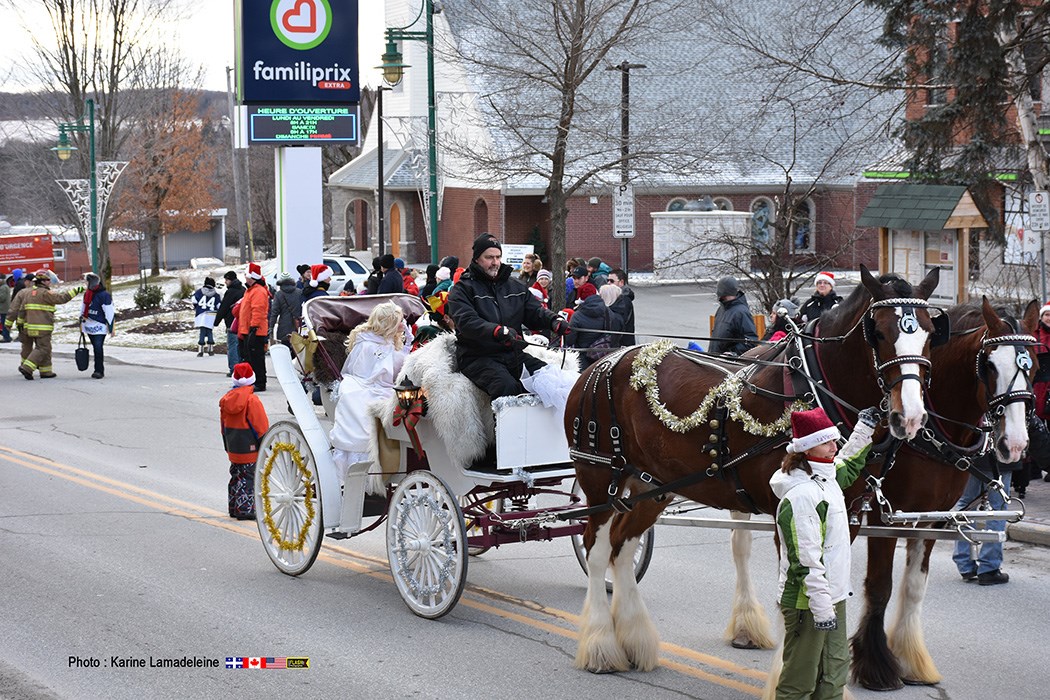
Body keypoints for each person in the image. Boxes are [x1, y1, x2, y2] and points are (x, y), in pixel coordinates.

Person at [769, 406, 877, 700]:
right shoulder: (802, 495)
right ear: (806, 449)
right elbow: (805, 561)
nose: (834, 446)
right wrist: (821, 607)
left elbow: (850, 462)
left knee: (833, 674)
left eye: (835, 440)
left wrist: (865, 428)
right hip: (808, 601)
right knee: (799, 682)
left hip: (833, 596)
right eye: (827, 441)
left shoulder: (828, 478)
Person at [449, 234, 570, 400]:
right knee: (508, 387)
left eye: (498, 257)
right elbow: (467, 321)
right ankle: (503, 426)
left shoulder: (514, 285)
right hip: (477, 356)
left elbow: (533, 311)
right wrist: (497, 331)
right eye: (489, 257)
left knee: (550, 379)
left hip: (513, 354)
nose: (495, 262)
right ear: (477, 259)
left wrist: (553, 321)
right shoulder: (463, 289)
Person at [329, 303, 413, 481]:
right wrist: (405, 355)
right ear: (389, 323)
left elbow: (396, 367)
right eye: (399, 321)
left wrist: (406, 350)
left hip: (384, 386)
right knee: (364, 404)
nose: (402, 324)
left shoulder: (388, 342)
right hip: (366, 386)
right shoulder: (367, 344)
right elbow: (370, 372)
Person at [951, 454, 1018, 585]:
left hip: (973, 455)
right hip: (999, 458)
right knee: (997, 508)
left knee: (966, 505)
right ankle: (989, 567)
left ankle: (965, 564)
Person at [5, 270, 84, 379]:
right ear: (41, 282)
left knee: (44, 347)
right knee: (43, 348)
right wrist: (76, 290)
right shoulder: (45, 293)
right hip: (43, 327)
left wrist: (18, 323)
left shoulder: (28, 293)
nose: (49, 282)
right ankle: (27, 367)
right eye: (47, 280)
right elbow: (61, 298)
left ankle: (46, 371)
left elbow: (21, 309)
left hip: (29, 327)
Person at [220, 362, 270, 520]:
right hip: (249, 447)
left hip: (233, 444)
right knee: (248, 478)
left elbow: (223, 425)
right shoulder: (252, 401)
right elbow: (260, 425)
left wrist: (227, 445)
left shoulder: (225, 400)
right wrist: (265, 443)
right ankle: (245, 509)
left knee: (236, 475)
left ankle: (233, 506)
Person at [566, 285, 622, 366]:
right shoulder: (609, 312)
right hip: (604, 355)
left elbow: (570, 339)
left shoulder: (577, 316)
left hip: (582, 356)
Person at [237, 262, 271, 392]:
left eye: (246, 275)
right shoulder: (251, 291)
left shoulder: (258, 291)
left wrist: (254, 327)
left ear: (252, 276)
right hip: (249, 330)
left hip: (255, 331)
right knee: (250, 357)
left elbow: (258, 311)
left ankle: (260, 382)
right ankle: (253, 380)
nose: (245, 277)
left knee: (256, 358)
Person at [709, 276, 757, 356]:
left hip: (730, 363)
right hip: (716, 359)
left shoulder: (741, 312)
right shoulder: (721, 309)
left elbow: (750, 340)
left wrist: (734, 353)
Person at [80, 272, 115, 379]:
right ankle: (97, 369)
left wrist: (111, 326)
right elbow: (83, 308)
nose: (85, 284)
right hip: (89, 325)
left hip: (99, 326)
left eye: (87, 281)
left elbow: (109, 312)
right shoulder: (87, 294)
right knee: (95, 347)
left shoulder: (104, 295)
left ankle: (99, 370)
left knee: (98, 347)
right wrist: (81, 323)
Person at [214, 270, 245, 377]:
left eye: (226, 280)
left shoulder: (231, 292)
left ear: (230, 280)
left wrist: (216, 321)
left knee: (232, 346)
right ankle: (241, 368)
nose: (225, 282)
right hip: (243, 323)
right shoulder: (243, 290)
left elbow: (224, 307)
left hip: (232, 323)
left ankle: (234, 369)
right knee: (240, 347)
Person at [269, 272, 303, 346]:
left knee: (286, 350)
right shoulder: (299, 292)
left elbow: (274, 313)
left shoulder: (279, 294)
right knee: (297, 351)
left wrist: (271, 326)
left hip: (284, 327)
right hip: (297, 326)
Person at [192, 277, 221, 357]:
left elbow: (194, 300)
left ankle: (200, 350)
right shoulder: (216, 294)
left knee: (202, 332)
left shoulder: (199, 292)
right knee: (209, 331)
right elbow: (219, 305)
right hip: (211, 315)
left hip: (201, 315)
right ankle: (210, 349)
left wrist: (197, 307)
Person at [608, 268, 635, 345]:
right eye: (608, 280)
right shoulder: (617, 297)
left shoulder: (624, 300)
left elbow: (619, 323)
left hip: (622, 344)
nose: (608, 283)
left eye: (612, 281)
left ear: (621, 282)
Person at [0, 273, 10, 342]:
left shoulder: (3, 287)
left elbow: (2, 298)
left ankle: (6, 337)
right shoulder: (5, 286)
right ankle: (6, 336)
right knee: (5, 323)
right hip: (5, 308)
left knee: (4, 323)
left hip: (3, 309)